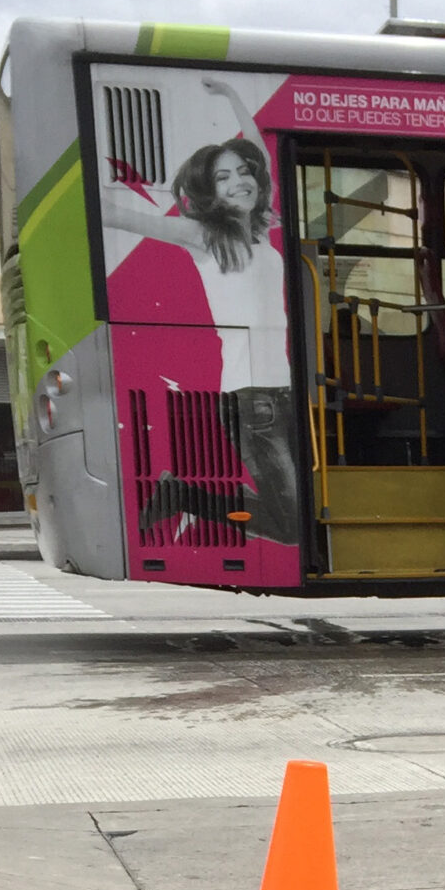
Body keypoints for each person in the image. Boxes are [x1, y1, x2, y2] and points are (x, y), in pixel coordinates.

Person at [100, 75, 300, 545]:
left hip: (283, 390)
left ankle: (184, 496)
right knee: (292, 528)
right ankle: (186, 496)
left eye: (242, 173)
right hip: (252, 398)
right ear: (210, 191)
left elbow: (260, 155)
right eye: (223, 178)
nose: (239, 183)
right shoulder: (204, 235)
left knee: (296, 515)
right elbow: (122, 217)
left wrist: (232, 97)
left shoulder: (261, 227)